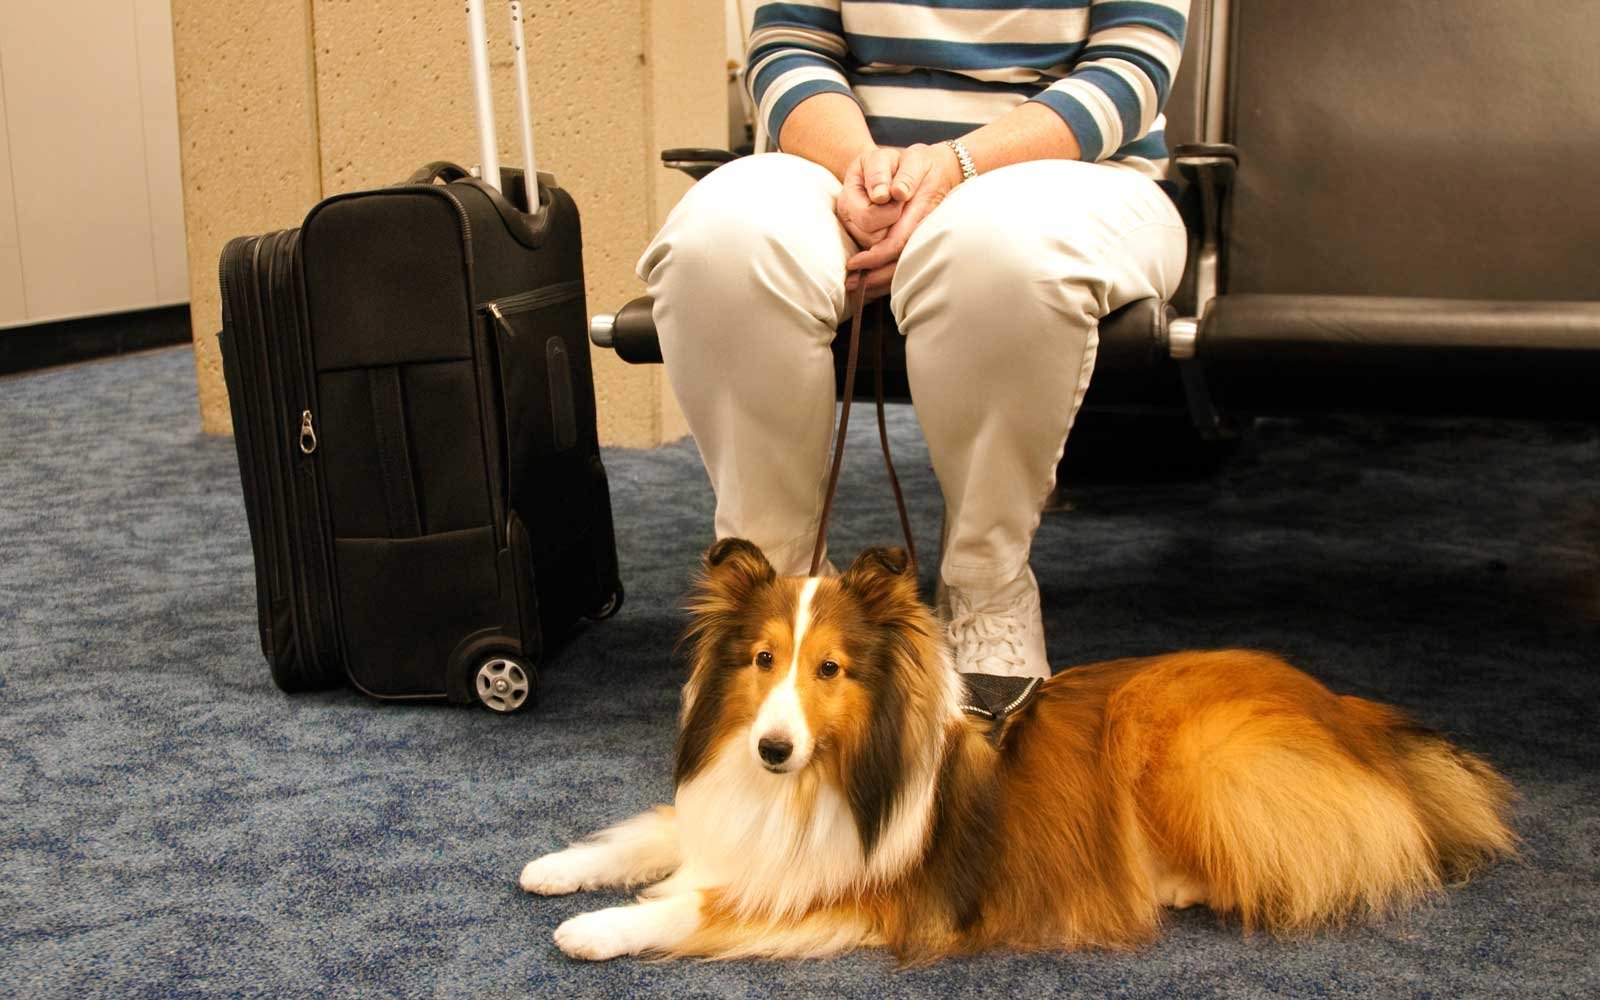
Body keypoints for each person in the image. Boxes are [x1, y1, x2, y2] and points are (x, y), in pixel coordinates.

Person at [636, 0, 1190, 678]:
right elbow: (790, 47)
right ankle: (774, 595)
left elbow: (1129, 70)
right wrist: (871, 174)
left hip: (1079, 170)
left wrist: (955, 170)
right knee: (718, 245)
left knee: (1001, 254)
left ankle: (986, 586)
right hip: (842, 164)